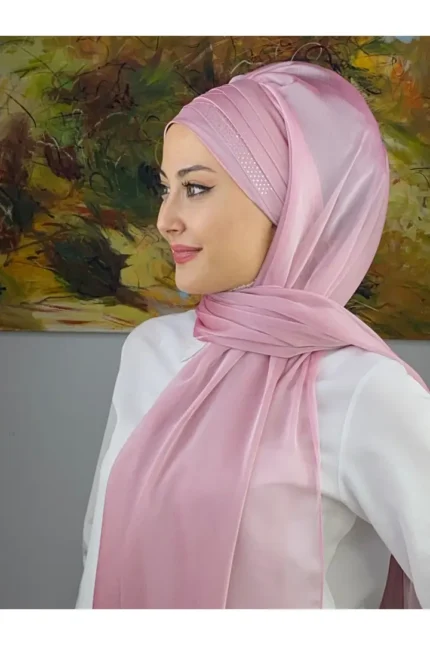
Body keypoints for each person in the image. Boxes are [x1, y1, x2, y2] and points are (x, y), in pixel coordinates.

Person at [76, 61, 430, 609]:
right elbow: (98, 558)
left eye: (195, 188)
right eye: (165, 188)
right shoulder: (150, 352)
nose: (165, 219)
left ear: (290, 205)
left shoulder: (368, 391)